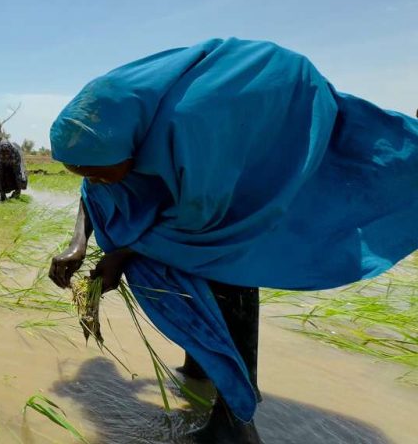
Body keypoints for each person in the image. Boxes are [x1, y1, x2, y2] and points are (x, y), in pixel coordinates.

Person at [48, 38, 417, 443]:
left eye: (102, 171)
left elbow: (200, 218)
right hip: (214, 145)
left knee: (224, 263)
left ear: (126, 143)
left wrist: (120, 253)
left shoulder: (189, 129)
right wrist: (78, 243)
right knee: (181, 257)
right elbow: (96, 190)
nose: (95, 179)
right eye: (83, 171)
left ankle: (236, 424)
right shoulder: (112, 126)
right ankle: (202, 369)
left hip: (274, 122)